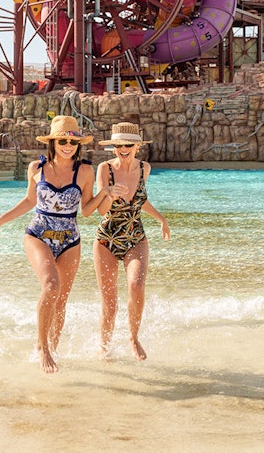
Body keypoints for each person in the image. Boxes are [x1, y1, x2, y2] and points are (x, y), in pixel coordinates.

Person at [0, 115, 122, 373]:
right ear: (53, 142)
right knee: (50, 285)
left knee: (60, 300)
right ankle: (41, 347)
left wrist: (106, 193)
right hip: (38, 234)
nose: (68, 145)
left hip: (70, 240)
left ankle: (54, 349)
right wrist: (0, 220)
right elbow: (29, 201)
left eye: (72, 141)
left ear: (78, 143)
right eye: (62, 140)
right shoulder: (36, 168)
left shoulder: (85, 171)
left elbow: (88, 210)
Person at [93, 122, 170, 361]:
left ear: (137, 146)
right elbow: (100, 211)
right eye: (118, 145)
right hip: (107, 239)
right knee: (110, 301)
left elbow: (139, 202)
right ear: (113, 147)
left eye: (128, 144)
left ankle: (133, 338)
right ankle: (104, 348)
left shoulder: (145, 167)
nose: (123, 149)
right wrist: (108, 193)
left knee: (136, 287)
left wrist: (161, 219)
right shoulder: (105, 168)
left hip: (136, 236)